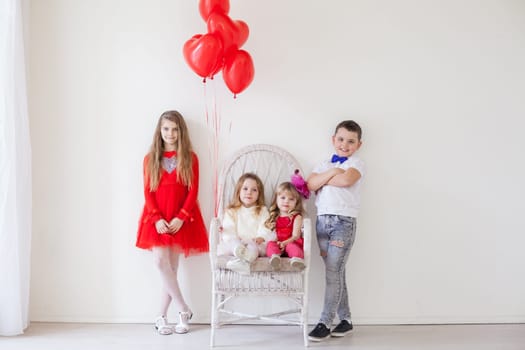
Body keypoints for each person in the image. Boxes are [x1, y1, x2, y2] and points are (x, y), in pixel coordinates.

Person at [136, 110, 209, 335]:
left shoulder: (190, 157)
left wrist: (181, 216)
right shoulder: (150, 159)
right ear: (160, 130)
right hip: (156, 217)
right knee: (161, 262)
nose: (170, 133)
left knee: (172, 268)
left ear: (181, 131)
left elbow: (193, 190)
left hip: (182, 218)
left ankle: (161, 317)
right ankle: (184, 309)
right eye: (166, 128)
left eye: (175, 129)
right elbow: (148, 192)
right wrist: (157, 218)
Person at [306, 120, 365, 342]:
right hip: (322, 223)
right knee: (336, 273)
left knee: (333, 272)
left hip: (343, 223)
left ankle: (324, 322)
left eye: (351, 141)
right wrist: (332, 172)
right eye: (341, 139)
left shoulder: (357, 164)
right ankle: (346, 320)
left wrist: (327, 180)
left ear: (358, 144)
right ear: (334, 140)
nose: (344, 145)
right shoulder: (324, 164)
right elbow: (311, 184)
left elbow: (346, 180)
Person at [217, 173, 274, 275]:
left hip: (254, 242)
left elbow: (265, 227)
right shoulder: (232, 211)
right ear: (238, 191)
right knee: (233, 244)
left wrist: (261, 237)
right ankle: (240, 254)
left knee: (254, 249)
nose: (249, 192)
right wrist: (233, 238)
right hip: (237, 241)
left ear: (259, 194)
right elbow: (228, 228)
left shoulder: (262, 210)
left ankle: (244, 261)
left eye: (254, 190)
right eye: (245, 189)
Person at [265, 182, 306, 270]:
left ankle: (297, 259)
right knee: (270, 245)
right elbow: (270, 233)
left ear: (296, 202)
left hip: (291, 242)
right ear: (276, 199)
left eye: (291, 199)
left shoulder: (297, 217)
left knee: (292, 247)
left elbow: (296, 236)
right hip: (278, 244)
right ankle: (275, 258)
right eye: (283, 197)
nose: (286, 201)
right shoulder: (274, 216)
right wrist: (278, 243)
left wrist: (284, 243)